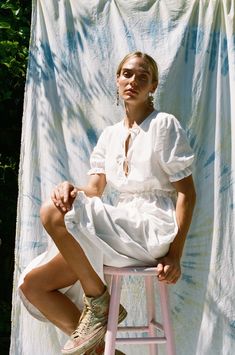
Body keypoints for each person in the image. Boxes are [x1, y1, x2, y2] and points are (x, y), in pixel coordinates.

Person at [19, 51, 196, 355]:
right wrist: (69, 188)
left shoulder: (164, 125)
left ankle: (98, 302)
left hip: (151, 228)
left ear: (153, 86)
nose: (133, 81)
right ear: (117, 80)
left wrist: (175, 255)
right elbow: (95, 188)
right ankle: (107, 348)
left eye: (143, 76)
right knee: (33, 285)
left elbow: (187, 194)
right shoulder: (109, 135)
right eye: (127, 73)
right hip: (119, 227)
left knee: (51, 212)